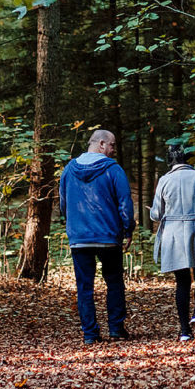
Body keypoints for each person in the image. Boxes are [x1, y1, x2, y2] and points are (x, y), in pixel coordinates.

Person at [59, 129, 135, 344]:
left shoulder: (69, 170)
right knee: (114, 282)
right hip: (108, 237)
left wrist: (73, 224)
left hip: (79, 238)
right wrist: (128, 229)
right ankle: (116, 328)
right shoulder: (114, 170)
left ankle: (90, 334)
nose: (113, 150)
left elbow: (63, 204)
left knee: (84, 286)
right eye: (112, 145)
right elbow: (125, 204)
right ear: (101, 144)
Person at [150, 144, 195, 342]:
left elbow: (156, 214)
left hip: (173, 234)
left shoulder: (164, 180)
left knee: (182, 282)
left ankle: (184, 331)